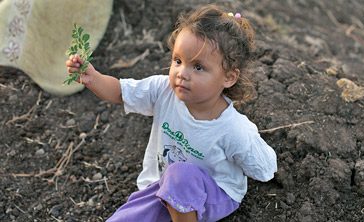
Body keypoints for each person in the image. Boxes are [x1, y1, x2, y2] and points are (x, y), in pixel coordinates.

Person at [66, 4, 277, 222]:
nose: (182, 74)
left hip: (215, 194)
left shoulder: (232, 128)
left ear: (229, 78)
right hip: (163, 189)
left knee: (180, 176)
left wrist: (252, 152)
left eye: (198, 67)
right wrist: (92, 78)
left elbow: (265, 168)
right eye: (178, 61)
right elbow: (120, 92)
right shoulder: (163, 91)